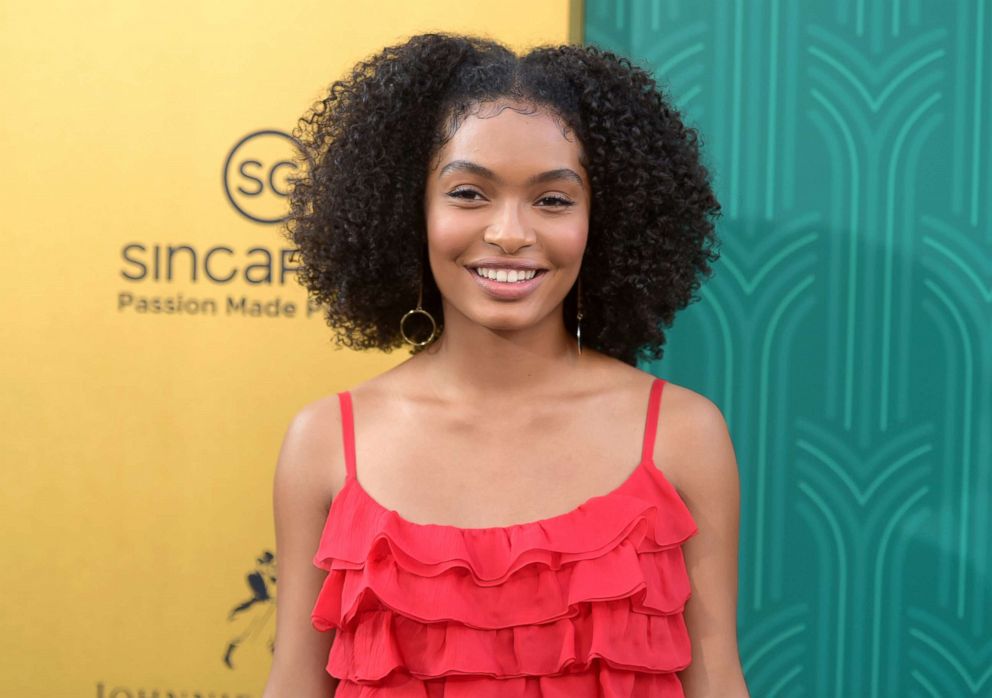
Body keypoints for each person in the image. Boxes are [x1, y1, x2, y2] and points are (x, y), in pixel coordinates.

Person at [263, 32, 748, 698]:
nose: (511, 233)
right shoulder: (323, 444)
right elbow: (294, 682)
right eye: (468, 193)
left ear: (603, 223)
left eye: (552, 200)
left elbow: (716, 679)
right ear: (409, 210)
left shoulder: (682, 436)